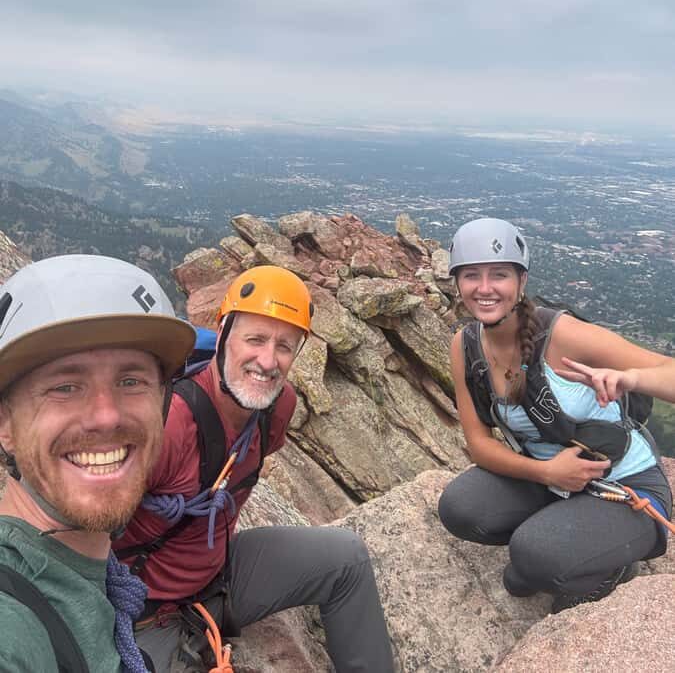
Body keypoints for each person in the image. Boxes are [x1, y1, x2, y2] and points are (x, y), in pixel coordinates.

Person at [115, 265, 394, 673]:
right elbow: (84, 530)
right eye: (255, 339)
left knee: (345, 559)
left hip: (217, 575)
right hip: (142, 608)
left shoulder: (277, 408)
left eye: (284, 346)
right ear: (224, 333)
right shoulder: (169, 425)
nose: (268, 360)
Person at [437, 218, 673, 613]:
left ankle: (612, 563)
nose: (485, 288)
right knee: (460, 509)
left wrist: (628, 377)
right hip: (550, 477)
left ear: (521, 281)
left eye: (499, 274)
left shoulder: (562, 336)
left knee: (531, 560)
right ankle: (560, 536)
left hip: (624, 485)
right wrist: (547, 474)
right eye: (471, 275)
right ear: (457, 283)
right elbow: (478, 444)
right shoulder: (465, 345)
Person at [0, 254, 196, 672]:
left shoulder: (90, 578)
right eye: (65, 386)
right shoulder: (12, 627)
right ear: (5, 424)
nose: (106, 415)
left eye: (131, 381)